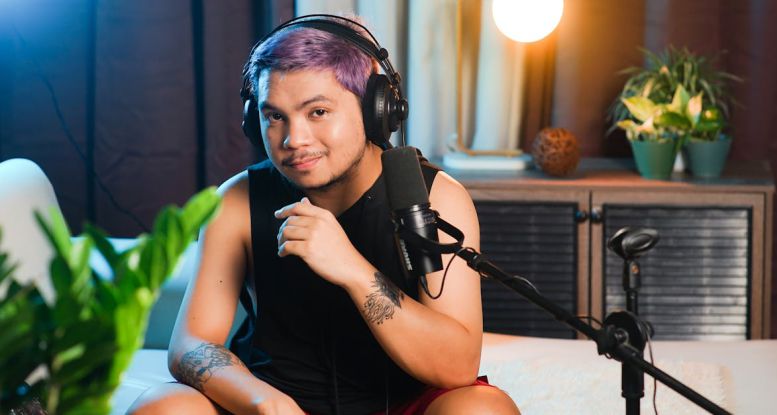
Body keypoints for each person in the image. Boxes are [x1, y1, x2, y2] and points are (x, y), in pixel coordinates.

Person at [128, 15, 519, 415]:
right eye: (274, 116)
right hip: (276, 403)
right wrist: (262, 401)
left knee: (482, 409)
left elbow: (456, 367)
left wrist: (351, 268)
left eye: (317, 112)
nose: (293, 140)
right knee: (163, 407)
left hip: (398, 405)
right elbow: (191, 345)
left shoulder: (435, 198)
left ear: (374, 110)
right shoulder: (237, 200)